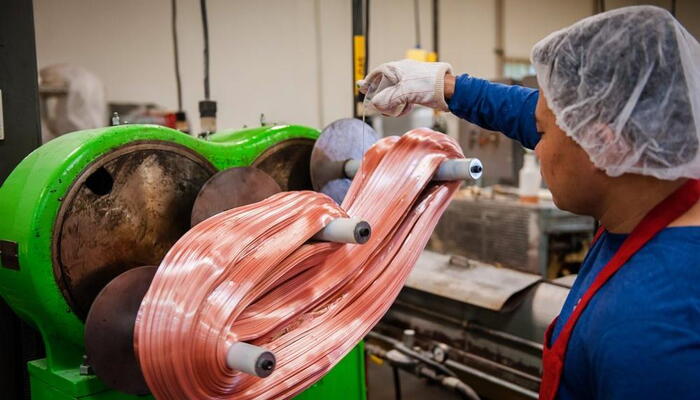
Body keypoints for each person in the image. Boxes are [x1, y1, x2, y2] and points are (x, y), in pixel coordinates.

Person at [359, 6, 700, 400]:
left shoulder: (647, 330)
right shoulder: (661, 178)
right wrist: (444, 87)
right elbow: (539, 113)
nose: (535, 148)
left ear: (605, 143)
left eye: (541, 133)